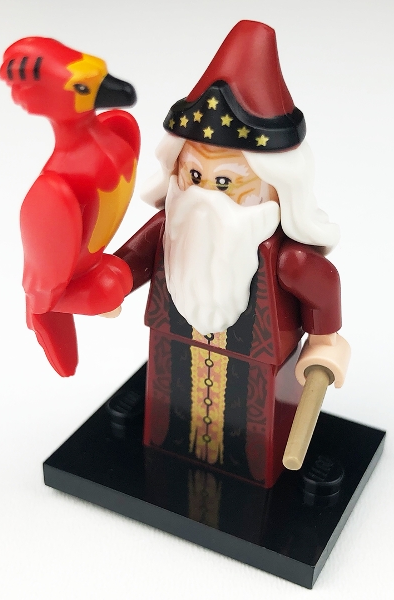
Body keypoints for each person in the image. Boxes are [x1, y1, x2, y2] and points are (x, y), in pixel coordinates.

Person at [115, 20, 350, 487]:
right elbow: (132, 260)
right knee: (165, 426)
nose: (204, 197)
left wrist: (325, 341)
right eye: (194, 176)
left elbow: (323, 288)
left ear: (275, 190)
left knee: (255, 450)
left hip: (259, 370)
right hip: (171, 345)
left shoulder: (287, 261)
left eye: (225, 183)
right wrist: (111, 283)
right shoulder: (172, 227)